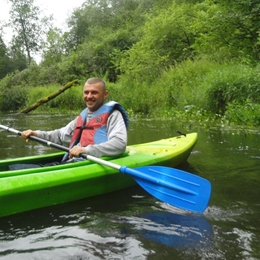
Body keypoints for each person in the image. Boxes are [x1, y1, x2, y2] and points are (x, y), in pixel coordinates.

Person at [21, 77, 129, 161]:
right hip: (74, 161)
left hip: (94, 163)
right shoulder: (82, 117)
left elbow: (119, 144)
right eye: (86, 92)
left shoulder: (113, 115)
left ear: (105, 94)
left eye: (94, 92)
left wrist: (85, 150)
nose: (89, 96)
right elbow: (60, 136)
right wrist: (36, 134)